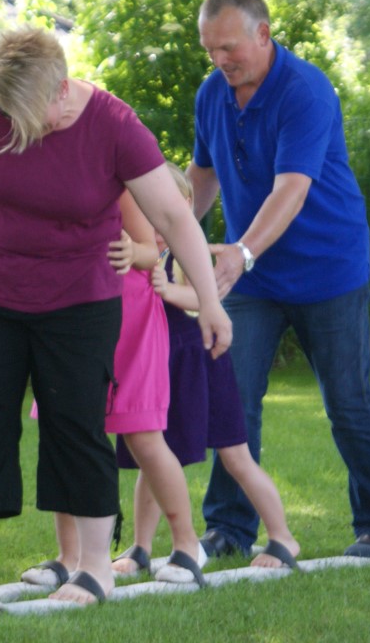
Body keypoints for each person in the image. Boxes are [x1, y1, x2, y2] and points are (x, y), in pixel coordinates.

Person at [0, 27, 232, 607]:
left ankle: (93, 571)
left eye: (38, 115)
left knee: (74, 424)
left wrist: (208, 301)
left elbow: (174, 218)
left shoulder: (112, 124)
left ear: (62, 89)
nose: (25, 128)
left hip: (80, 299)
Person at [186, 0, 370, 561]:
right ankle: (229, 529)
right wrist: (172, 233)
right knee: (231, 398)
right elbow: (203, 175)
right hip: (253, 280)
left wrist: (241, 251)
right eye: (210, 50)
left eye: (229, 47)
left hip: (327, 272)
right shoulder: (212, 94)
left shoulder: (305, 89)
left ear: (264, 33)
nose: (220, 61)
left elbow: (293, 188)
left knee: (348, 400)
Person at [113, 163, 301, 572]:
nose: (150, 221)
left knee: (236, 456)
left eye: (158, 210)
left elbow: (206, 300)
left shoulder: (188, 249)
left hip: (203, 365)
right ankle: (140, 547)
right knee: (152, 454)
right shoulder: (141, 250)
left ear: (183, 205)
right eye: (142, 211)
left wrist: (170, 291)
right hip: (161, 367)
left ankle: (283, 537)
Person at [22, 191, 208, 589]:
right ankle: (69, 557)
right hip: (67, 315)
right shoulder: (37, 174)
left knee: (144, 438)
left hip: (131, 322)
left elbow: (150, 250)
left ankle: (186, 545)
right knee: (66, 435)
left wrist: (132, 251)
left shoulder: (118, 173)